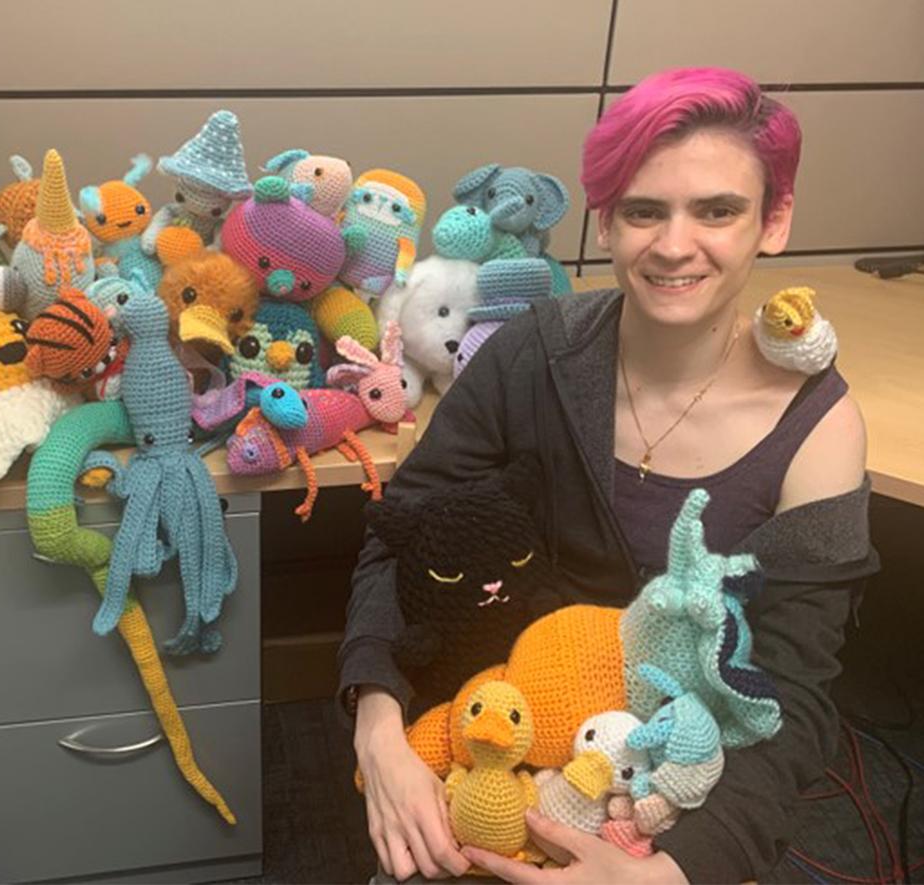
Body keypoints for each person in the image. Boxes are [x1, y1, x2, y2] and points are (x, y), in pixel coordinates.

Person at [338, 67, 878, 884]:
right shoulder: (531, 354)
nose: (672, 244)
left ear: (774, 222)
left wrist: (679, 871)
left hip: (680, 803)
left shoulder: (819, 430)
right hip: (496, 744)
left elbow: (795, 697)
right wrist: (377, 726)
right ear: (604, 219)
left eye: (718, 211)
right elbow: (400, 538)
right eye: (643, 210)